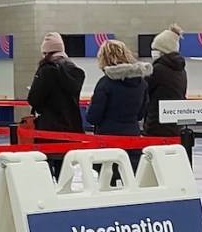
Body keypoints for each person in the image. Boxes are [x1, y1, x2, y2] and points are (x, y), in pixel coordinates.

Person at [85, 39, 151, 182]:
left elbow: (93, 117)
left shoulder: (105, 84)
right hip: (132, 138)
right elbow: (140, 115)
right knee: (130, 179)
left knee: (107, 182)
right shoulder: (142, 83)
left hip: (108, 140)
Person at [28, 32, 86, 180]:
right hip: (71, 125)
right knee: (65, 168)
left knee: (45, 167)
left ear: (46, 52)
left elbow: (34, 99)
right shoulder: (75, 70)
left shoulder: (47, 70)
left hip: (48, 127)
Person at [144, 24, 189, 154]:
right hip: (174, 126)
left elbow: (145, 90)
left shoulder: (158, 70)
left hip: (156, 127)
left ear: (163, 51)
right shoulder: (181, 70)